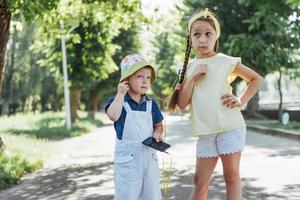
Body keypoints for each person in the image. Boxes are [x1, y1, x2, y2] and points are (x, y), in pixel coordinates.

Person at [167, 9, 264, 200]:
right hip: (205, 132)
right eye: (197, 34)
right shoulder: (187, 68)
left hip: (230, 127)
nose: (202, 39)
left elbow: (256, 79)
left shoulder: (226, 61)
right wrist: (192, 78)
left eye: (208, 34)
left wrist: (241, 100)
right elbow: (182, 104)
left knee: (231, 177)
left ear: (216, 36)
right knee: (200, 181)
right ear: (190, 38)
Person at [105, 54, 164, 200]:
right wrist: (120, 94)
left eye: (148, 77)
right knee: (127, 195)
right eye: (139, 76)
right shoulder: (118, 101)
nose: (145, 81)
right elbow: (112, 116)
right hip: (128, 163)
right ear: (127, 80)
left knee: (152, 195)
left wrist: (158, 133)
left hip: (149, 160)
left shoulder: (152, 104)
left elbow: (159, 125)